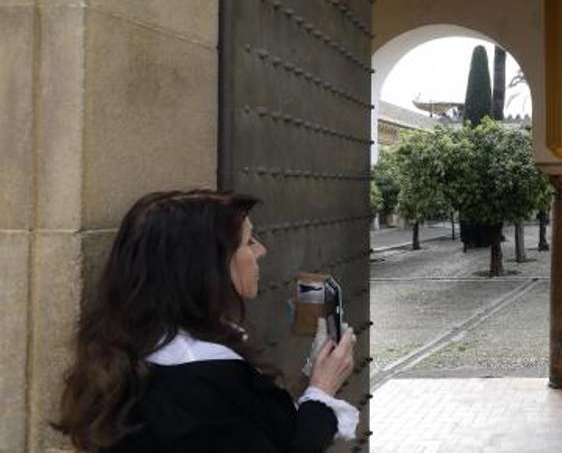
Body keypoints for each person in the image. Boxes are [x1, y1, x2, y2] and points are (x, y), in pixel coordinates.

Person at [56, 190, 359, 452]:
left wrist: (311, 380)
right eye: (248, 242)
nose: (261, 250)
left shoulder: (148, 350)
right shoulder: (196, 386)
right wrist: (322, 391)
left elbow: (257, 426)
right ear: (207, 266)